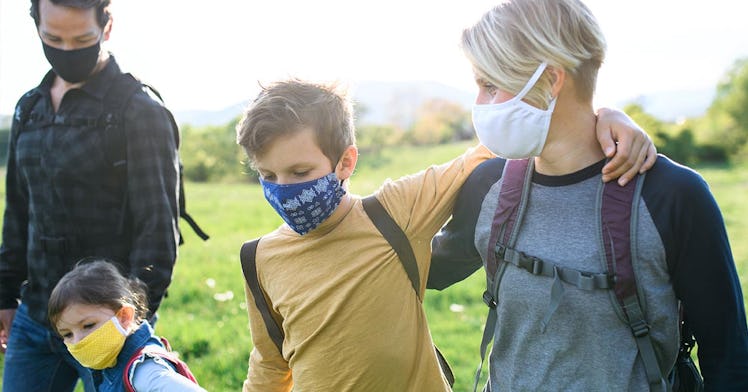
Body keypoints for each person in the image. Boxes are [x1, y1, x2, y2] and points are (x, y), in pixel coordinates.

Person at [234, 78, 656, 391]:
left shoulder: (394, 212)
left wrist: (602, 118)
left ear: (346, 162)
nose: (284, 188)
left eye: (300, 172)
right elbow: (271, 364)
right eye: (267, 175)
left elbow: (494, 146)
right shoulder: (259, 258)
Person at [427, 0, 748, 390]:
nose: (478, 105)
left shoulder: (673, 196)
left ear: (550, 80)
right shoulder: (489, 186)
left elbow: (729, 361)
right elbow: (412, 269)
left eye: (490, 85)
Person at [0, 1, 180, 391]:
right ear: (36, 27)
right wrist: (4, 295)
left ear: (107, 26)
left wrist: (124, 324)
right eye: (53, 38)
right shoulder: (28, 108)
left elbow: (158, 229)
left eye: (82, 39)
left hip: (105, 323)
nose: (67, 50)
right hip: (35, 317)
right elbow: (17, 211)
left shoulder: (139, 111)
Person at [47, 259, 205, 392]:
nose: (78, 341)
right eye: (67, 334)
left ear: (124, 316)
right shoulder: (111, 361)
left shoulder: (144, 370)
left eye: (88, 325)